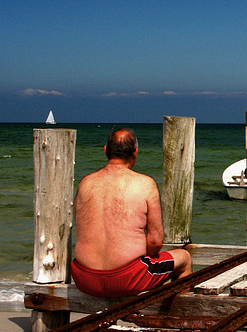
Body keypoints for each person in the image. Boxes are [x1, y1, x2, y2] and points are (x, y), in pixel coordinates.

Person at [70, 128, 192, 298]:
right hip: (126, 278)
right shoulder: (145, 184)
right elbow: (156, 241)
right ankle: (178, 317)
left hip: (84, 278)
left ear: (106, 150)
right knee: (184, 258)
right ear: (135, 152)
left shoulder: (86, 183)